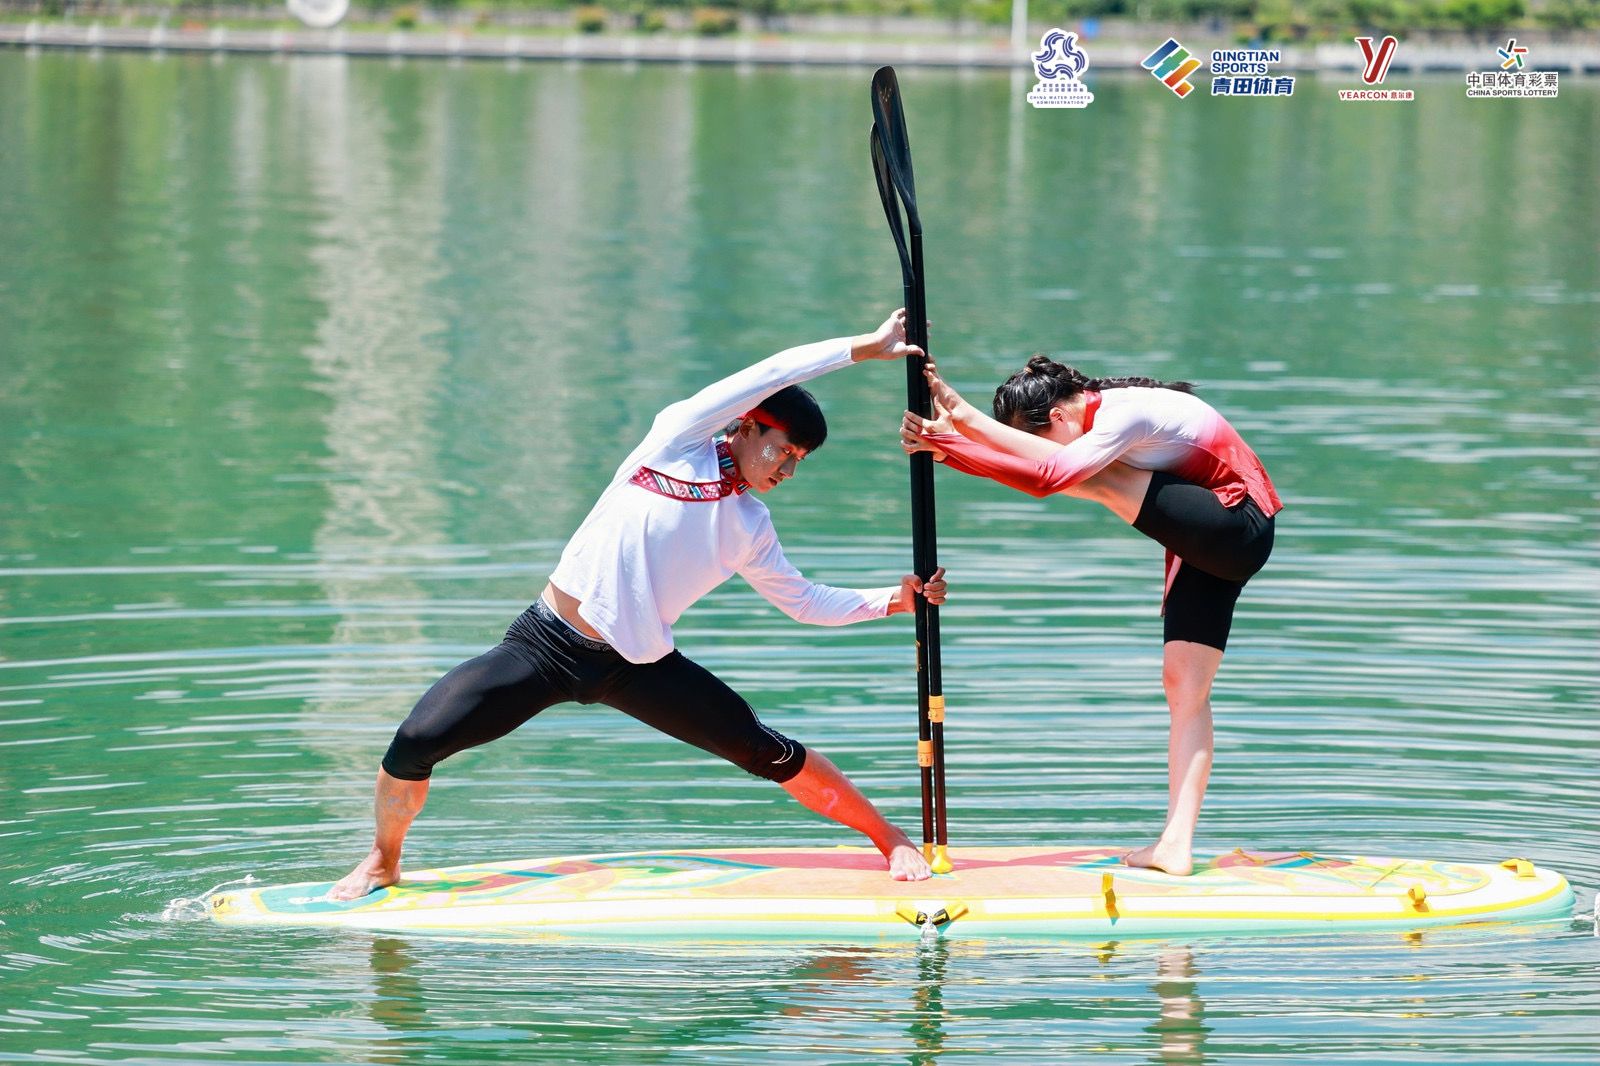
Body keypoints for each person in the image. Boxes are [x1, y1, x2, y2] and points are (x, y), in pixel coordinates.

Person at [332, 309, 946, 900]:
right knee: (414, 742)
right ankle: (384, 860)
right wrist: (865, 349)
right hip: (544, 647)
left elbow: (804, 601)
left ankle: (888, 838)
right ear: (747, 426)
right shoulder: (676, 442)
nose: (788, 470)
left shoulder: (750, 524)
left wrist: (893, 600)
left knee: (768, 751)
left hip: (638, 666)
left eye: (799, 462)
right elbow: (772, 372)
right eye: (784, 450)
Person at [900, 355, 1280, 876]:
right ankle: (1174, 845)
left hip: (1237, 523)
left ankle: (1174, 842)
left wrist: (955, 440)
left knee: (1097, 479)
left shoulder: (1124, 415)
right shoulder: (1091, 414)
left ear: (1058, 416)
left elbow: (1049, 477)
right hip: (1205, 545)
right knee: (1184, 687)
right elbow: (1048, 464)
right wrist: (957, 440)